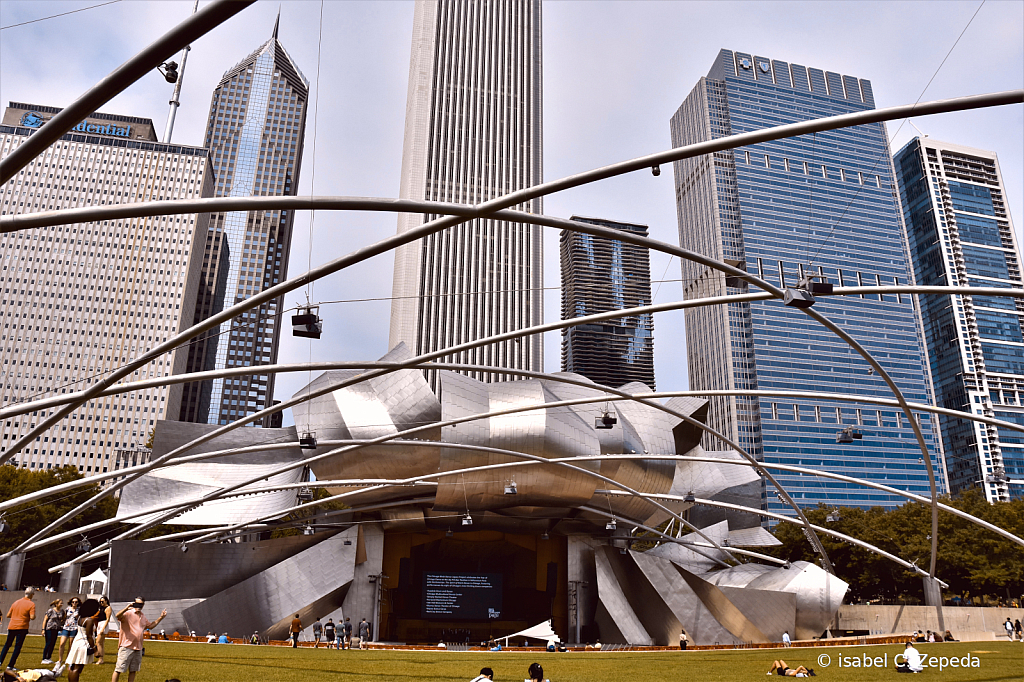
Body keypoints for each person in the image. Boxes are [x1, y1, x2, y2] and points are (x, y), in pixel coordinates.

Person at [111, 597, 167, 682]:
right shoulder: (128, 613)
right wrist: (127, 607)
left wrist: (161, 617)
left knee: (133, 670)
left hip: (138, 648)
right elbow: (117, 616)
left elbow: (150, 626)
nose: (138, 606)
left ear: (143, 605)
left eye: (141, 604)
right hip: (126, 646)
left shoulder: (143, 616)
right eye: (137, 603)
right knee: (119, 669)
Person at [64, 599, 101, 682]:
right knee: (77, 668)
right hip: (83, 644)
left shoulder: (80, 617)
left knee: (73, 667)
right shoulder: (89, 620)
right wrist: (95, 649)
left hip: (77, 641)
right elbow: (89, 636)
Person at [1, 588, 36, 671]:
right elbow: (32, 617)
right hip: (22, 627)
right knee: (17, 646)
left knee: (7, 645)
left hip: (12, 626)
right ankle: (10, 665)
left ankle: (0, 661)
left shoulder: (16, 602)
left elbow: (8, 615)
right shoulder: (31, 604)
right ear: (32, 594)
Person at [57, 598, 81, 666]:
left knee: (71, 644)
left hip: (74, 628)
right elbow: (64, 617)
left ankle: (68, 659)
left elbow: (80, 619)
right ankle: (60, 659)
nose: (74, 603)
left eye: (76, 602)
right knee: (62, 643)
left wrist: (78, 617)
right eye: (73, 602)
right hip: (66, 627)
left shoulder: (79, 610)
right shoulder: (67, 609)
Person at [40, 599, 64, 665]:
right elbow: (45, 619)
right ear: (56, 604)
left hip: (56, 629)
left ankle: (49, 657)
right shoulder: (51, 610)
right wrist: (43, 629)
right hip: (49, 628)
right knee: (48, 642)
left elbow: (63, 619)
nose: (61, 604)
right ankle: (44, 658)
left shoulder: (62, 611)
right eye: (60, 603)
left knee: (53, 643)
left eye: (62, 603)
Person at [94, 597, 112, 665]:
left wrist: (103, 628)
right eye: (100, 602)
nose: (101, 603)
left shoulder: (108, 608)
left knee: (98, 642)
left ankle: (100, 658)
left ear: (106, 601)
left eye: (103, 601)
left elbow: (108, 619)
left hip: (104, 623)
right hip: (99, 623)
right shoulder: (101, 608)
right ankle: (101, 659)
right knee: (101, 643)